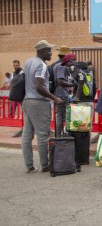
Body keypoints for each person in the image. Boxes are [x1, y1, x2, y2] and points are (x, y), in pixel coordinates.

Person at [22, 40, 63, 173]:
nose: (51, 53)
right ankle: (45, 165)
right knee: (42, 135)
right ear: (42, 51)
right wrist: (54, 98)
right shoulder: (42, 65)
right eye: (49, 50)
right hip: (39, 102)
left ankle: (29, 165)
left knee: (27, 135)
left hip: (27, 101)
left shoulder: (28, 62)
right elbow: (38, 86)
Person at [53, 46, 74, 137]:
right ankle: (58, 136)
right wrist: (72, 85)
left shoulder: (55, 65)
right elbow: (60, 81)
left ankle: (58, 135)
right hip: (61, 94)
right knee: (61, 117)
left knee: (59, 116)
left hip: (57, 93)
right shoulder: (61, 66)